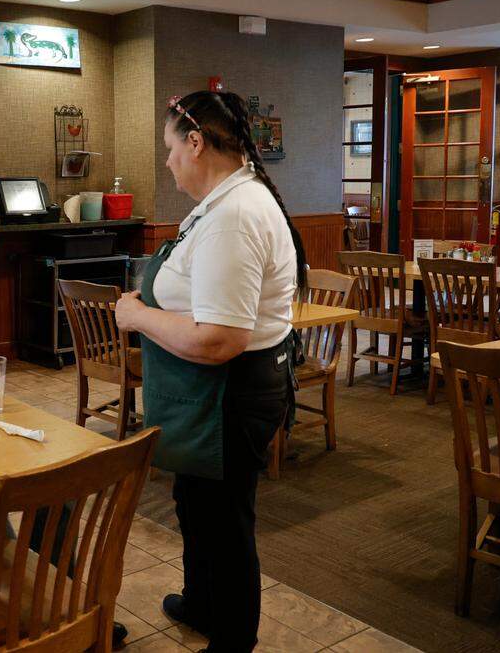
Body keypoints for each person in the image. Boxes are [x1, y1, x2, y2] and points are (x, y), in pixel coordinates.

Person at [114, 91, 305, 653]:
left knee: (225, 522)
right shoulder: (225, 201)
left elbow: (221, 339)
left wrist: (140, 315)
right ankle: (202, 602)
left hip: (230, 393)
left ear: (196, 143)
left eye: (171, 147)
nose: (168, 160)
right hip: (214, 394)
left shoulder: (235, 217)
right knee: (195, 504)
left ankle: (232, 639)